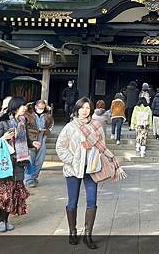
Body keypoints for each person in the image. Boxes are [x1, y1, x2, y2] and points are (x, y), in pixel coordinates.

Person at [55, 97, 123, 249]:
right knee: (73, 201)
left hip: (91, 168)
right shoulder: (70, 127)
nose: (85, 110)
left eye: (88, 108)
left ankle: (87, 235)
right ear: (77, 109)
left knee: (92, 201)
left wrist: (91, 147)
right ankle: (72, 232)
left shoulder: (96, 125)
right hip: (73, 168)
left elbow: (102, 146)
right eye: (82, 107)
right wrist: (73, 159)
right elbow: (60, 147)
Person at [0, 96, 39, 232]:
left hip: (19, 162)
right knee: (5, 193)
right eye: (23, 106)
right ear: (16, 107)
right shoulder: (3, 123)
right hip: (6, 162)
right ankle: (1, 220)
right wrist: (3, 138)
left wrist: (32, 144)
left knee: (14, 193)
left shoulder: (22, 121)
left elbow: (25, 139)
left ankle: (6, 220)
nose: (25, 108)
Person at [24, 99, 54, 187]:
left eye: (42, 108)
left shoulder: (47, 115)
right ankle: (28, 179)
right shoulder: (29, 115)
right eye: (39, 107)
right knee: (30, 159)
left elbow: (51, 125)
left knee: (40, 159)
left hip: (42, 136)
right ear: (36, 106)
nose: (41, 109)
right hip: (31, 137)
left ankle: (33, 177)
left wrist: (47, 131)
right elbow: (26, 126)